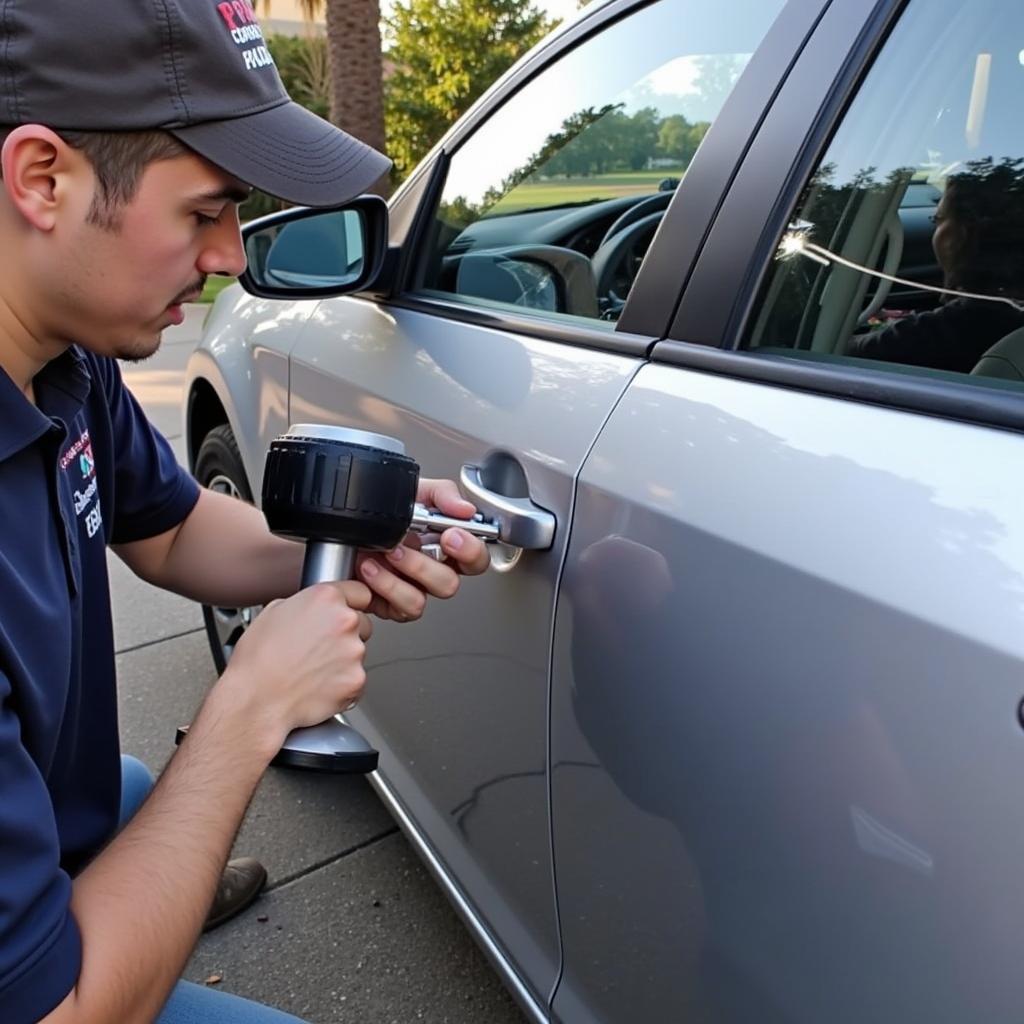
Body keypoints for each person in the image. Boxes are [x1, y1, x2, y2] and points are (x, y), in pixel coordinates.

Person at [0, 2, 491, 1022]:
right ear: (42, 180)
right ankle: (115, 907)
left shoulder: (64, 357)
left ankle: (133, 878)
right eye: (203, 211)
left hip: (41, 823)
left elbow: (172, 531)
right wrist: (251, 708)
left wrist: (351, 545)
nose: (229, 255)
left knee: (129, 785)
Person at [845, 158, 1024, 372]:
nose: (936, 229)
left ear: (953, 237)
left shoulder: (943, 333)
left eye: (937, 219)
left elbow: (832, 348)